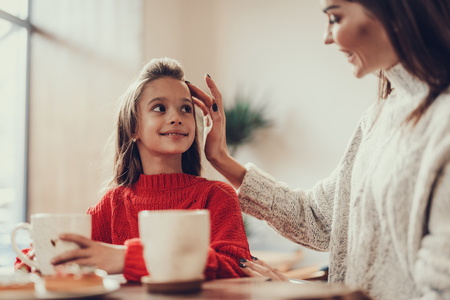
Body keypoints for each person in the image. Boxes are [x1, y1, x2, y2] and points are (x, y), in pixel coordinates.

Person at [188, 0, 450, 299]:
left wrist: (301, 294)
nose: (327, 37)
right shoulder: (377, 117)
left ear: (395, 12)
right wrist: (220, 158)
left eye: (335, 18)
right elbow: (319, 219)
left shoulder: (442, 124)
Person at [15, 57, 255, 282]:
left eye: (185, 109)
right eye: (160, 108)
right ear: (133, 129)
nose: (176, 117)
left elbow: (237, 268)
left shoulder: (217, 196)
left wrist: (127, 258)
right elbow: (61, 249)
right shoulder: (112, 205)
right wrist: (35, 257)